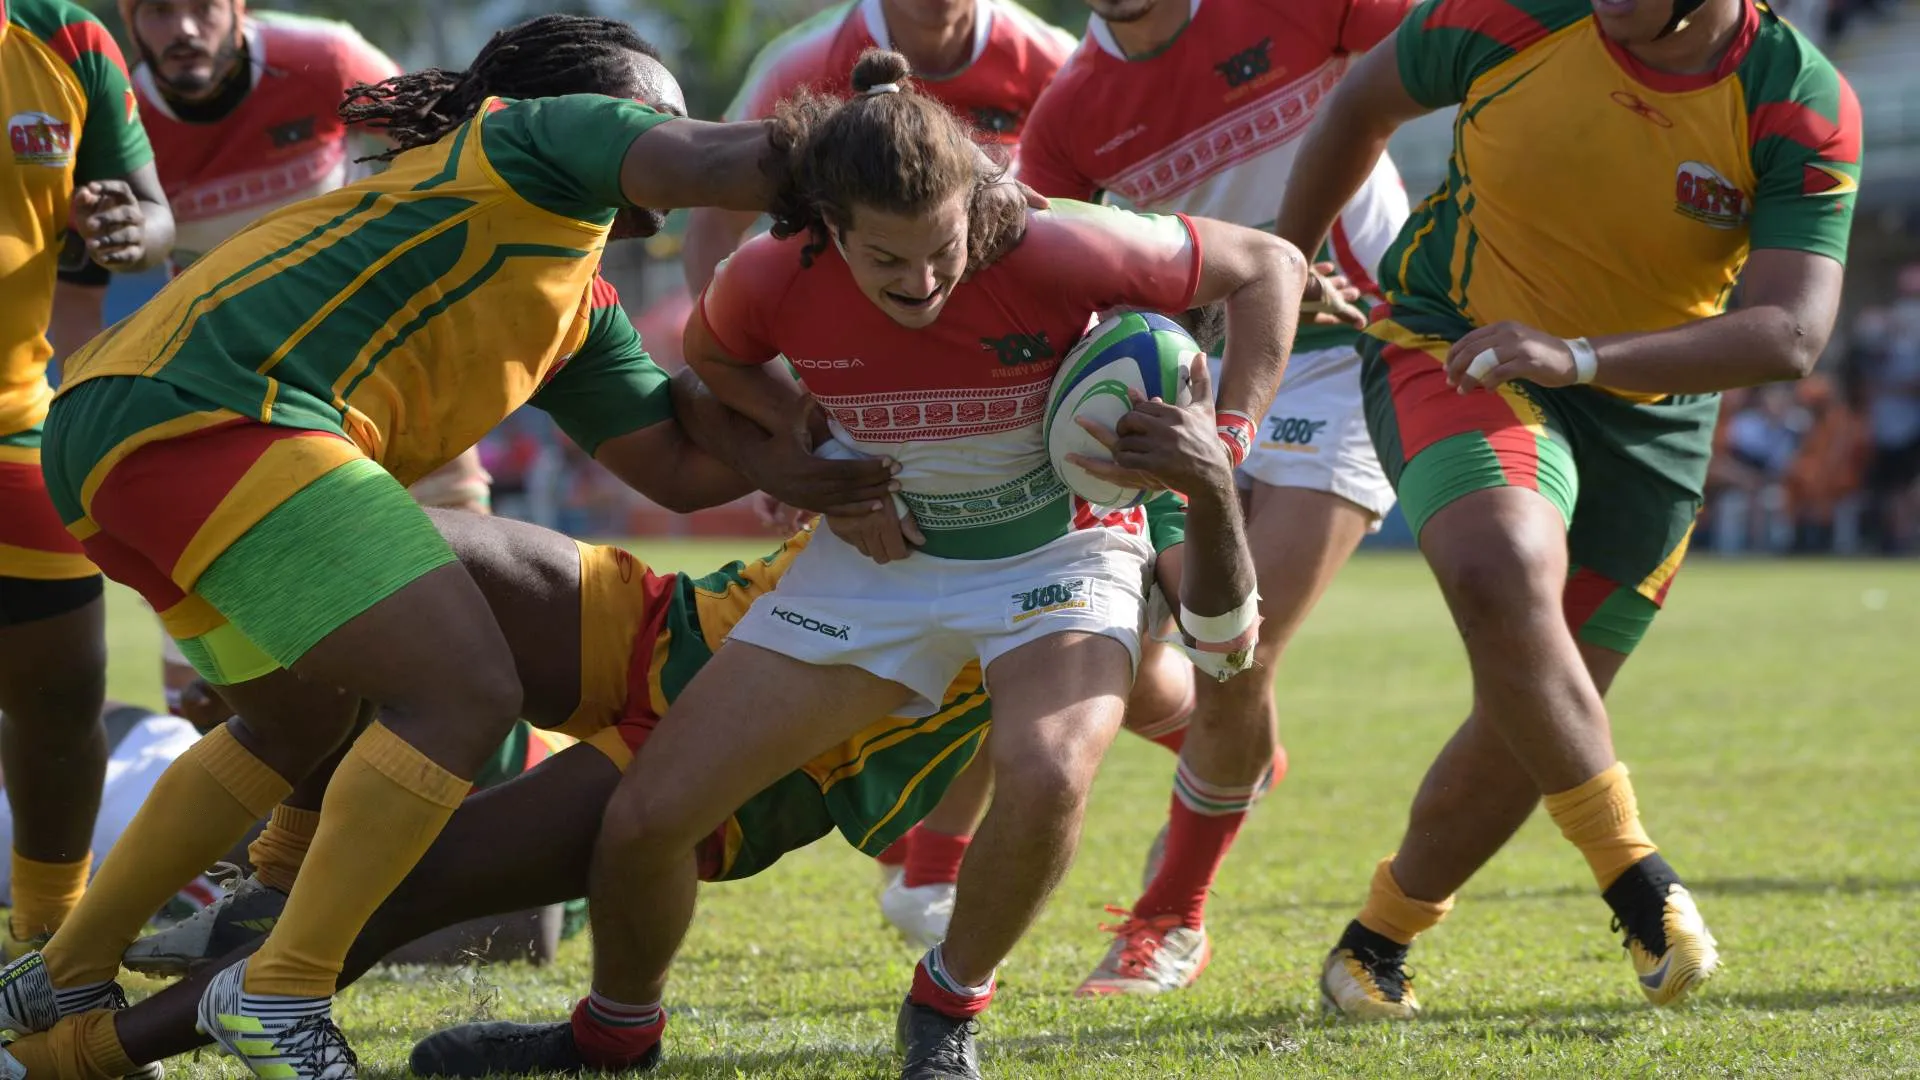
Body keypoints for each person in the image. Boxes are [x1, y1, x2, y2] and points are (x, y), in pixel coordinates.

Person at [0, 16, 899, 1080]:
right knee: (465, 694)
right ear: (591, 114)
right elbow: (724, 157)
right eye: (649, 114)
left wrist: (794, 451)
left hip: (114, 426)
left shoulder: (575, 299)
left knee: (296, 719)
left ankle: (61, 969)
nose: (666, 134)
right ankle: (280, 990)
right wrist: (891, 144)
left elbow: (677, 464)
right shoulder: (530, 140)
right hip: (219, 412)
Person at [424, 49, 1315, 1080]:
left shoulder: (1057, 243)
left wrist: (1230, 442)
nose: (923, 282)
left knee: (1048, 772)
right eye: (886, 262)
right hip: (876, 561)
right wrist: (800, 447)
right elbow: (715, 359)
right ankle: (614, 1033)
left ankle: (945, 1012)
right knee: (646, 819)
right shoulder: (767, 275)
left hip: (1061, 552)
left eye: (941, 251)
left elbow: (1270, 266)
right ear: (826, 230)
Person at [1274, 0, 1858, 1018]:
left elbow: (1790, 332)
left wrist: (1584, 358)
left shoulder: (1796, 96)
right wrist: (1276, 272)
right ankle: (1640, 879)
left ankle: (1375, 944)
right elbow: (1357, 104)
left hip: (1652, 423)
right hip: (1457, 341)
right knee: (1499, 565)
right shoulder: (1509, 13)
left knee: (1535, 712)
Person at [1013, 0, 1408, 995]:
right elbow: (1056, 292)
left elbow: (1453, 61)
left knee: (1240, 644)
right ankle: (1233, 755)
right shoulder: (1068, 120)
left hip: (1357, 361)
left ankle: (1170, 918)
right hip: (1204, 383)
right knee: (1145, 634)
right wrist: (1256, 280)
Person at [60, 0, 494, 723]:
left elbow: (453, 173)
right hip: (228, 412)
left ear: (238, 7)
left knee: (483, 632)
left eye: (202, 7)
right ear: (131, 19)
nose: (184, 31)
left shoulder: (325, 58)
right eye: (160, 12)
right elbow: (74, 314)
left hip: (384, 378)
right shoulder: (113, 119)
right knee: (216, 706)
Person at [0, 0, 174, 959]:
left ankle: (48, 945)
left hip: (16, 418)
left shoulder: (67, 39)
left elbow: (154, 217)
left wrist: (126, 227)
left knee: (65, 692)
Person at [682, 0, 1075, 293]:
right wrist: (737, 364)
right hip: (839, 340)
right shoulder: (801, 63)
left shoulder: (1051, 59)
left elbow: (1098, 205)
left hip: (1007, 330)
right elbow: (715, 219)